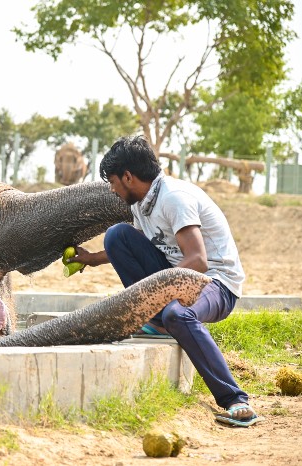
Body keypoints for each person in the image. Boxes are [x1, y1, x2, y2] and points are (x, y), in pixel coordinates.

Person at [69, 135, 260, 426]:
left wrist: (148, 295)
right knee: (117, 235)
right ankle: (158, 320)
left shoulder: (173, 198)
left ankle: (235, 399)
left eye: (113, 181)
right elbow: (140, 245)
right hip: (178, 280)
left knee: (177, 315)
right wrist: (92, 258)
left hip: (216, 284)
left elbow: (197, 260)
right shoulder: (141, 204)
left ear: (129, 177)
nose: (112, 188)